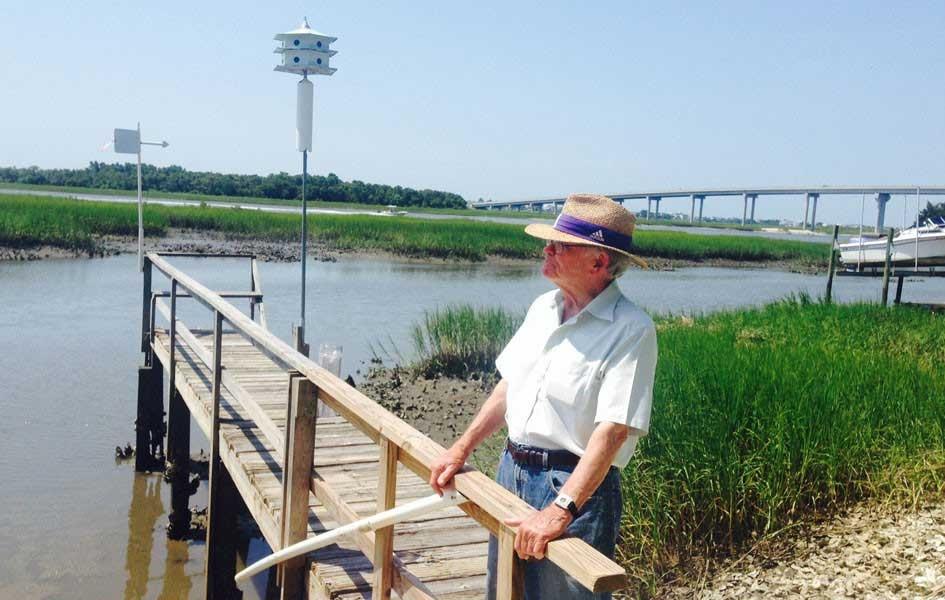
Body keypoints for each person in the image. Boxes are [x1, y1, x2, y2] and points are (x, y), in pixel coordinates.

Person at [429, 193, 658, 599]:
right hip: (510, 471)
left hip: (571, 490)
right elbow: (509, 387)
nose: (547, 249)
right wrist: (460, 449)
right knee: (504, 591)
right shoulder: (542, 307)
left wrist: (560, 510)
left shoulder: (631, 329)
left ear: (598, 262)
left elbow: (613, 432)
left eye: (560, 244)